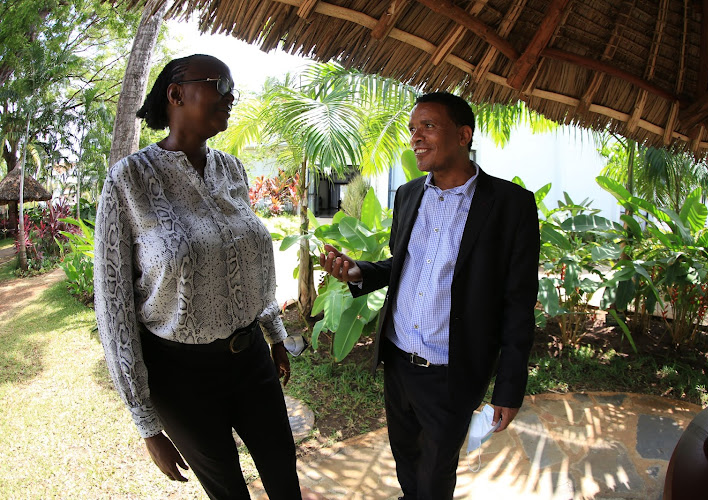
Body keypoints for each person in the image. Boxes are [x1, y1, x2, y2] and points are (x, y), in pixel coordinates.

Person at [94, 54, 302, 500]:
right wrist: (146, 423)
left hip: (251, 361)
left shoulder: (232, 170)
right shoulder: (126, 181)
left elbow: (252, 263)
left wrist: (275, 335)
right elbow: (113, 307)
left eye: (233, 88)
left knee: (285, 476)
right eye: (220, 83)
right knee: (228, 490)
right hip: (181, 376)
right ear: (176, 94)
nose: (231, 96)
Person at [320, 92, 540, 499]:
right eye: (412, 129)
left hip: (450, 371)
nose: (415, 137)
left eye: (428, 126)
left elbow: (518, 304)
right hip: (398, 361)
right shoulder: (407, 195)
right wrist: (358, 272)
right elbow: (404, 265)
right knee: (405, 457)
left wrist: (509, 387)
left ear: (463, 134)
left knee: (436, 474)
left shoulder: (510, 206)